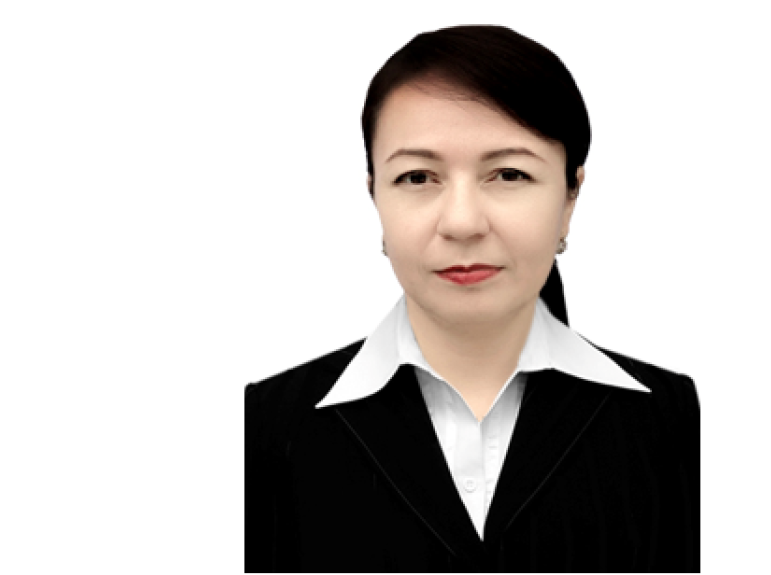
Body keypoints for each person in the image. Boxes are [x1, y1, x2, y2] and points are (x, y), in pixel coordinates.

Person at [245, 25, 700, 572]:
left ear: (569, 198)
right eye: (418, 177)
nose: (462, 222)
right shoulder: (265, 428)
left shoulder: (673, 422)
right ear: (375, 196)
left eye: (509, 174)